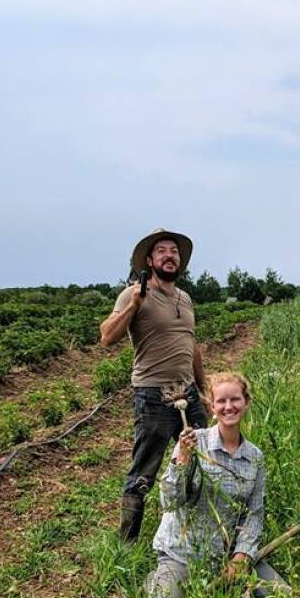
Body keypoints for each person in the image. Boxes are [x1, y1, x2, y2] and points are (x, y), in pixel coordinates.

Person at [99, 228, 209, 542]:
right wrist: (134, 305)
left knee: (202, 460)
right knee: (144, 472)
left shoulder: (185, 298)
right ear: (149, 260)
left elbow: (191, 345)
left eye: (173, 251)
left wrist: (203, 387)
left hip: (187, 393)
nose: (169, 255)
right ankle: (127, 543)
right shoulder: (133, 293)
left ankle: (196, 530)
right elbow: (106, 337)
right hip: (153, 396)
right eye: (161, 250)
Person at [147, 372, 288, 598]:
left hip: (225, 555)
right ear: (212, 406)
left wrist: (241, 556)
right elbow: (169, 502)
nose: (228, 406)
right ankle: (157, 581)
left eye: (235, 400)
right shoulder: (193, 443)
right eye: (221, 401)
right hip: (183, 553)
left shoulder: (255, 457)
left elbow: (254, 514)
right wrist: (182, 459)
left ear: (246, 403)